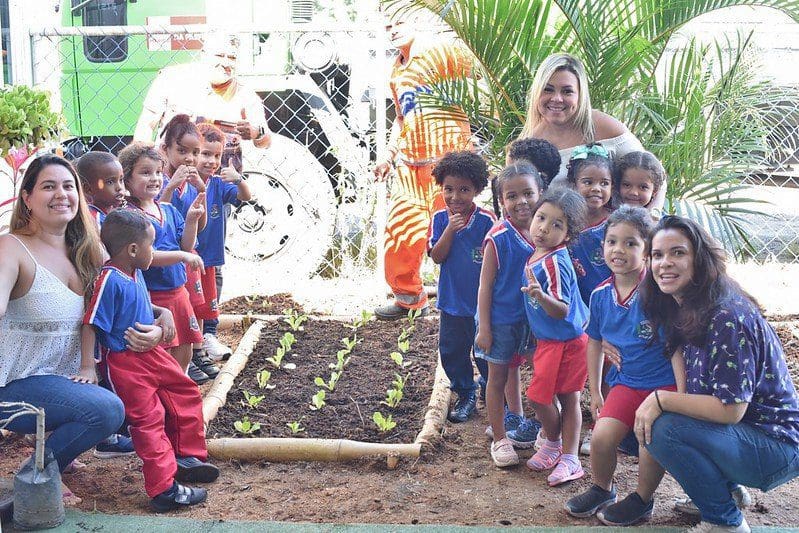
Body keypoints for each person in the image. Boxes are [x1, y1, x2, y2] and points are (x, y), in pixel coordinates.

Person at [632, 216, 799, 533]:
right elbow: (678, 351)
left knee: (664, 426)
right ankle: (724, 493)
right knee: (661, 421)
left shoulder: (726, 315)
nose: (665, 263)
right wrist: (672, 400)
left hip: (776, 447)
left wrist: (662, 400)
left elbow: (731, 409)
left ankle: (725, 523)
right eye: (657, 254)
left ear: (699, 258)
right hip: (747, 437)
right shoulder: (685, 301)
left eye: (678, 253)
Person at [0, 154, 134, 493]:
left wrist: (161, 321)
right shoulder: (11, 248)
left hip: (64, 383)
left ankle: (59, 449)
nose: (61, 194)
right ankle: (36, 478)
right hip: (14, 384)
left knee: (137, 401)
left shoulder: (88, 250)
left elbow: (132, 294)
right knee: (105, 411)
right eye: (48, 186)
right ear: (27, 198)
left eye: (68, 186)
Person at [83, 208, 218, 512]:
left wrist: (162, 313)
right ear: (133, 250)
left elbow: (140, 306)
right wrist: (88, 366)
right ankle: (164, 490)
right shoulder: (110, 279)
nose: (153, 252)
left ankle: (184, 455)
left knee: (183, 390)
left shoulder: (135, 272)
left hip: (152, 354)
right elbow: (91, 322)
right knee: (148, 420)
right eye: (151, 246)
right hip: (125, 362)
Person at [565, 206, 679, 524]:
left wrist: (681, 394)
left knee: (648, 443)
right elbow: (596, 341)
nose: (619, 250)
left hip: (663, 387)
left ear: (647, 252)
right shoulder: (601, 295)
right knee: (601, 438)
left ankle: (642, 499)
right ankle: (602, 488)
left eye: (631, 243)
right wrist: (595, 390)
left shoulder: (659, 295)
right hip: (626, 382)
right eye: (612, 241)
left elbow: (678, 348)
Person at [373, 15, 474, 320]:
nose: (392, 30)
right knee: (401, 235)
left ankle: (465, 302)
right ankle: (409, 300)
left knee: (456, 233)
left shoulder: (442, 52)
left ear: (416, 20)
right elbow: (402, 119)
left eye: (398, 22)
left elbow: (482, 74)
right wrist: (389, 156)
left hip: (448, 168)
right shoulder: (397, 70)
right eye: (387, 26)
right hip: (410, 168)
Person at [519, 53, 667, 217]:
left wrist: (651, 217)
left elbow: (657, 176)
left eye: (567, 91)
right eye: (548, 89)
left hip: (615, 235)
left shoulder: (605, 127)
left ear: (580, 95)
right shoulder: (527, 146)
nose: (557, 98)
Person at [118, 141, 207, 380]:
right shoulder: (129, 217)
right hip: (153, 295)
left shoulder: (167, 209)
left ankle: (181, 391)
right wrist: (182, 256)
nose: (155, 178)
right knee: (160, 354)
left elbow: (187, 245)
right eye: (145, 173)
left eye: (158, 172)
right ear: (126, 179)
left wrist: (191, 221)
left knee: (184, 350)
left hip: (178, 293)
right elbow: (147, 258)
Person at [519, 187, 588, 486]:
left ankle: (568, 456)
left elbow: (561, 310)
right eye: (541, 218)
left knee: (564, 398)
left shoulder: (554, 262)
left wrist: (540, 296)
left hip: (568, 341)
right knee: (542, 396)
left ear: (568, 235)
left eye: (557, 224)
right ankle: (553, 444)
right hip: (549, 341)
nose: (544, 228)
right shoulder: (539, 253)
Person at [169, 122, 252, 367]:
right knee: (190, 302)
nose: (210, 161)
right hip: (189, 256)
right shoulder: (181, 185)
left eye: (216, 155)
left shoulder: (216, 184)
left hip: (211, 257)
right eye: (204, 154)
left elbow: (246, 196)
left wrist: (238, 179)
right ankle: (192, 349)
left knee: (206, 302)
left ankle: (204, 341)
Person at [476, 163, 542, 467]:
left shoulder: (547, 233)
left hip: (535, 322)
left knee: (542, 374)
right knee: (497, 376)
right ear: (501, 201)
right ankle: (500, 437)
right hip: (502, 321)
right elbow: (485, 287)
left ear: (540, 193)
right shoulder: (498, 237)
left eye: (528, 193)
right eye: (512, 195)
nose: (521, 201)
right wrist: (484, 328)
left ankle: (543, 432)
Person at [134, 31, 271, 172]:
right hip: (172, 175)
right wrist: (143, 165)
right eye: (219, 56)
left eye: (232, 57)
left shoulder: (246, 95)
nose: (225, 63)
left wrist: (256, 133)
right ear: (204, 55)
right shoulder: (171, 79)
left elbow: (266, 141)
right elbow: (146, 125)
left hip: (220, 180)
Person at [427, 151, 495, 423]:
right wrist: (450, 231)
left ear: (477, 190)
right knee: (453, 350)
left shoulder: (487, 221)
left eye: (464, 190)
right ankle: (465, 392)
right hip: (453, 300)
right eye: (449, 189)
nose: (455, 197)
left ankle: (493, 391)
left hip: (483, 303)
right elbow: (437, 256)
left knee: (487, 352)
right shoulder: (440, 220)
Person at [75, 151, 127, 227]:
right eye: (110, 182)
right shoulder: (94, 219)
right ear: (88, 189)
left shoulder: (117, 209)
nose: (119, 187)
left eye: (121, 180)